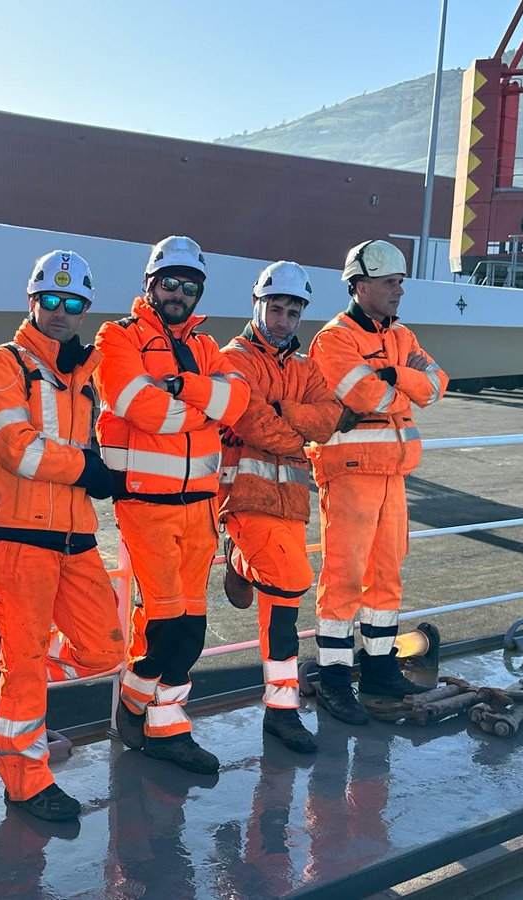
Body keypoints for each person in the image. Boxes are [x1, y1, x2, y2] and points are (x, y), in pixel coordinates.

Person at [0, 250, 124, 821]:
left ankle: (4, 650)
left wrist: (106, 470)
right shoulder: (2, 364)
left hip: (76, 536)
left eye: (72, 303)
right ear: (32, 302)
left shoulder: (83, 379)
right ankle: (25, 781)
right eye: (50, 301)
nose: (60, 312)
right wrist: (89, 469)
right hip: (17, 537)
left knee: (106, 649)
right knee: (27, 665)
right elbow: (15, 448)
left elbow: (88, 449)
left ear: (84, 310)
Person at [94, 235, 249, 774]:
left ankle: (150, 713)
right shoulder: (118, 337)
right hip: (146, 504)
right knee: (168, 626)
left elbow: (238, 401)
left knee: (193, 629)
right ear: (150, 286)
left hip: (200, 508)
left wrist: (182, 387)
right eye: (169, 283)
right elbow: (136, 404)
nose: (178, 293)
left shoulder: (208, 348)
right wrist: (200, 411)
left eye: (189, 286)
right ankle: (150, 717)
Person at [307, 239, 448, 725]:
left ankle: (379, 669)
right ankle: (333, 679)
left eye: (400, 282)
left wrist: (394, 376)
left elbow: (436, 385)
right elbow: (363, 393)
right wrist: (399, 382)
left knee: (386, 577)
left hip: (392, 475)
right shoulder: (333, 340)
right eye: (391, 283)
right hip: (349, 475)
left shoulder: (402, 337)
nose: (399, 291)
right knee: (343, 579)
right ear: (360, 286)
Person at [218, 261, 348, 753]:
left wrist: (285, 415)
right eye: (276, 308)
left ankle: (280, 710)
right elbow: (249, 419)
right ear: (258, 305)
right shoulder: (235, 359)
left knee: (281, 610)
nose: (283, 320)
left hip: (291, 505)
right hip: (244, 498)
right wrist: (294, 429)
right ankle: (237, 556)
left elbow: (328, 419)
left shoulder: (303, 366)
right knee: (294, 583)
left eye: (293, 312)